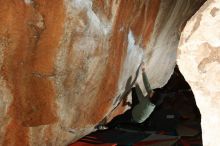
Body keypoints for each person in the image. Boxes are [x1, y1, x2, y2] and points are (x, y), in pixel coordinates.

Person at [96, 63, 165, 130]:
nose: (152, 91)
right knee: (134, 90)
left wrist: (136, 84)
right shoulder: (152, 96)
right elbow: (147, 86)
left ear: (152, 98)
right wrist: (143, 71)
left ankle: (106, 127)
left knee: (118, 119)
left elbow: (140, 95)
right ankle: (133, 105)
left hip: (135, 117)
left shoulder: (146, 105)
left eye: (153, 93)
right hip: (138, 107)